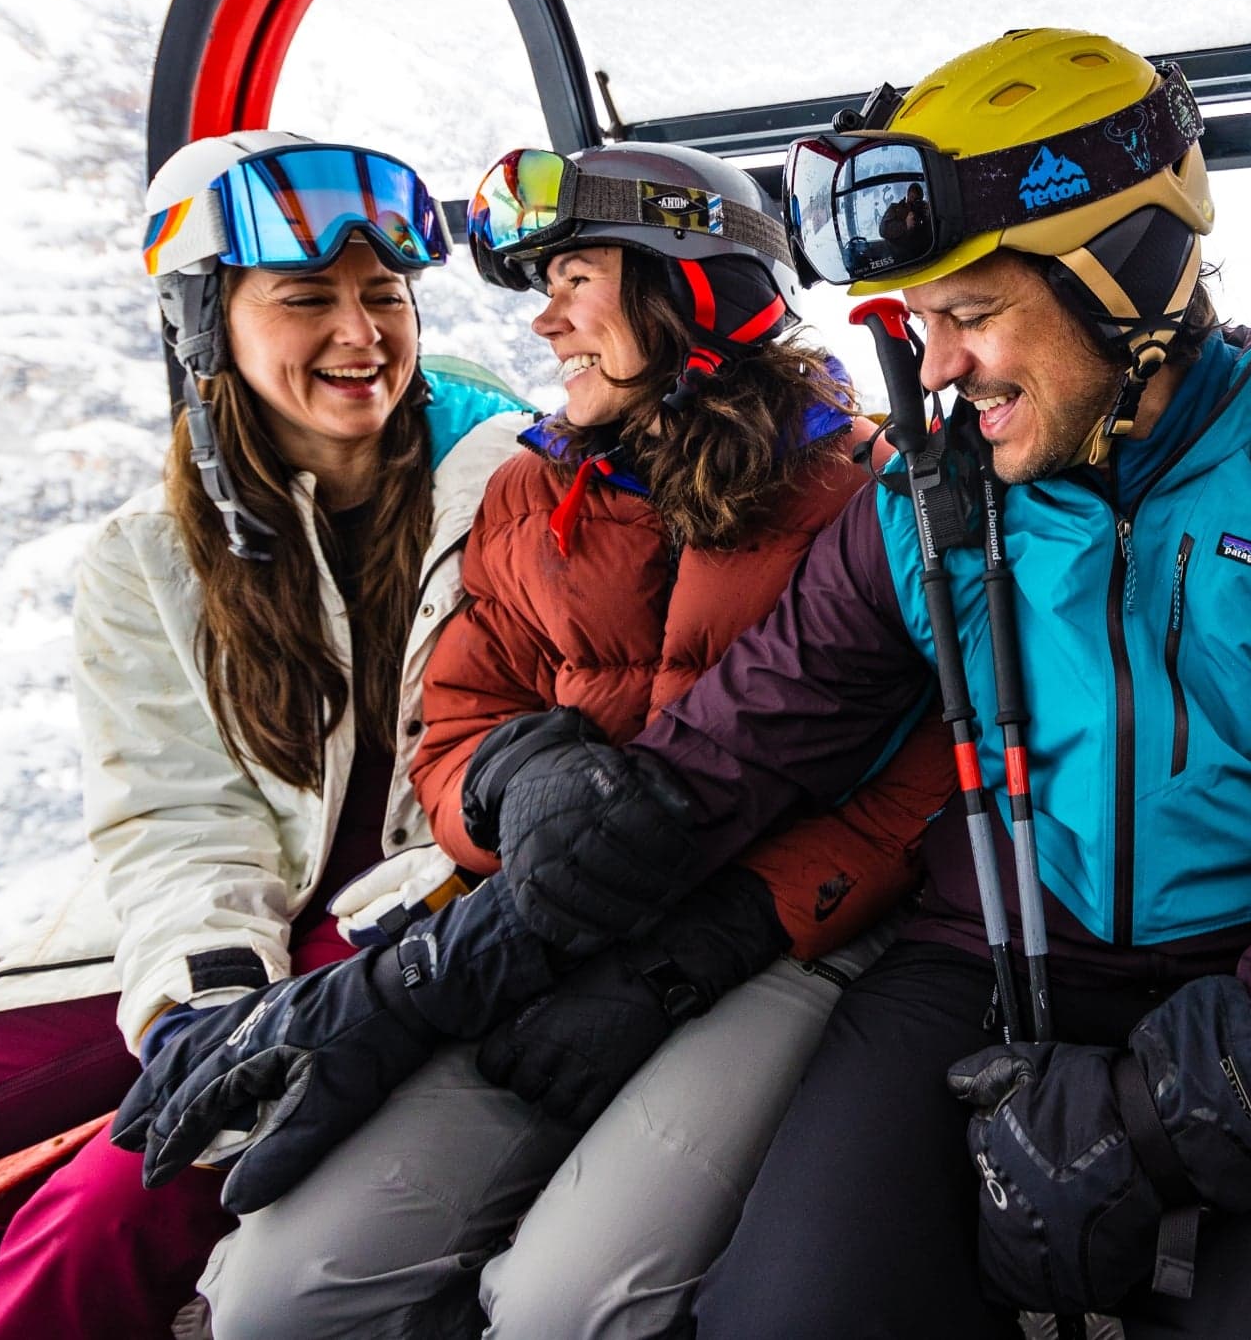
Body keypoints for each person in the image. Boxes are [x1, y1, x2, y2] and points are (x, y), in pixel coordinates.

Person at [441, 27, 1251, 1339]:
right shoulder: (924, 505)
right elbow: (745, 747)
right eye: (920, 325)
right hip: (979, 967)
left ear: (1128, 273)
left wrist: (1174, 1104)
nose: (940, 368)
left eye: (970, 315)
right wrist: (412, 973)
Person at [189, 141, 957, 1340]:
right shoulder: (527, 491)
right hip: (548, 921)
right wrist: (513, 783)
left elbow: (929, 785)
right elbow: (451, 726)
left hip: (781, 938)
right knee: (273, 1299)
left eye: (574, 280)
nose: (543, 322)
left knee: (570, 1306)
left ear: (687, 284)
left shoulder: (866, 493)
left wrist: (700, 949)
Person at [0, 133, 531, 1338]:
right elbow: (182, 814)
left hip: (408, 929)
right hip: (203, 936)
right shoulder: (153, 551)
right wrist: (203, 1005)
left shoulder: (506, 487)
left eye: (384, 296)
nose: (361, 335)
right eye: (305, 300)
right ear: (203, 324)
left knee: (93, 1224)